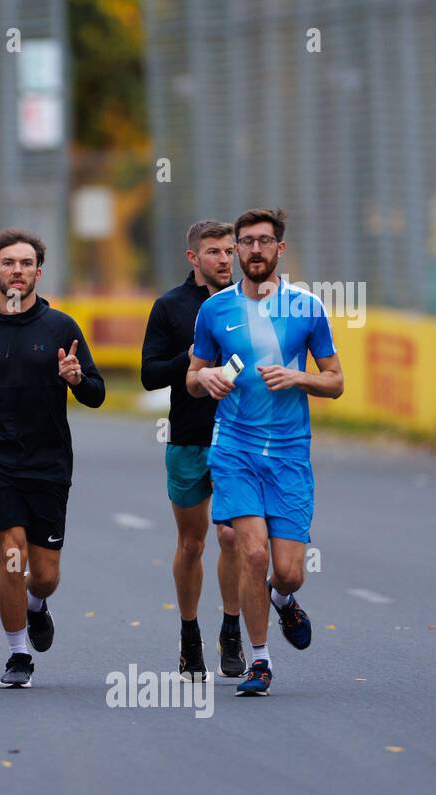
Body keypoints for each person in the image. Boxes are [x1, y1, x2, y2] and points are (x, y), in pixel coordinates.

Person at [187, 208, 344, 697]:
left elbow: (336, 382)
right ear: (235, 249)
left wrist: (299, 377)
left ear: (280, 249)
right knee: (250, 552)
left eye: (264, 241)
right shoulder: (214, 310)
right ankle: (259, 661)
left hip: (290, 453)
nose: (254, 250)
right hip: (233, 447)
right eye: (245, 242)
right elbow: (192, 378)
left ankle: (283, 598)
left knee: (289, 571)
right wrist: (204, 378)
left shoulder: (307, 309)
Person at [0, 229, 104, 688]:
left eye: (26, 263)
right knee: (10, 553)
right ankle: (17, 654)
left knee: (45, 575)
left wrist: (76, 379)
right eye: (9, 263)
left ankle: (37, 605)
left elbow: (96, 393)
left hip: (49, 461)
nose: (18, 270)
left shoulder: (62, 328)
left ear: (38, 272)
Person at [140, 220, 242, 680]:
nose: (225, 260)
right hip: (187, 436)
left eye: (229, 251)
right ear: (193, 258)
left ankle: (233, 630)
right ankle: (188, 634)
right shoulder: (170, 307)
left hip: (239, 437)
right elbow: (149, 374)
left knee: (232, 536)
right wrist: (196, 355)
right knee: (193, 541)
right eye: (215, 252)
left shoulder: (249, 304)